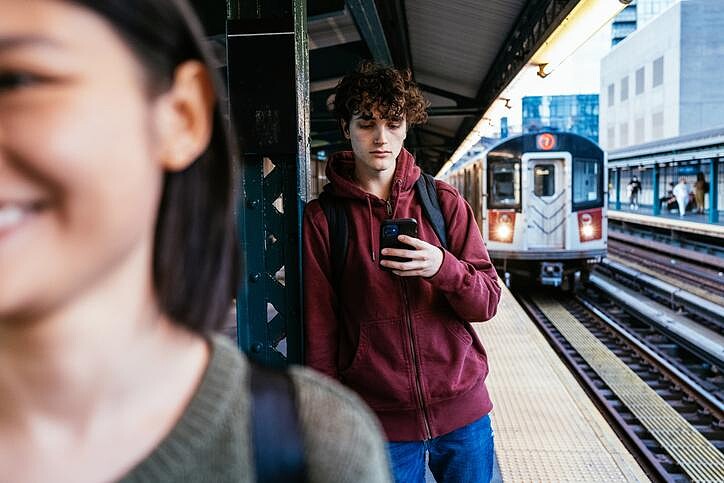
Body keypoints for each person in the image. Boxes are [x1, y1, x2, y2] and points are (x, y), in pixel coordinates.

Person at [0, 1, 392, 482]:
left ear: (180, 116)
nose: (381, 137)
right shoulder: (305, 434)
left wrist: (443, 269)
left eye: (17, 81)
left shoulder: (315, 446)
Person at [303, 62, 501, 483]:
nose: (381, 137)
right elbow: (320, 329)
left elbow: (486, 303)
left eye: (393, 124)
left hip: (463, 414)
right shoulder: (323, 221)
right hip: (380, 425)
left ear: (406, 128)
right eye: (366, 123)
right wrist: (330, 419)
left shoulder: (443, 202)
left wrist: (443, 267)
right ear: (345, 128)